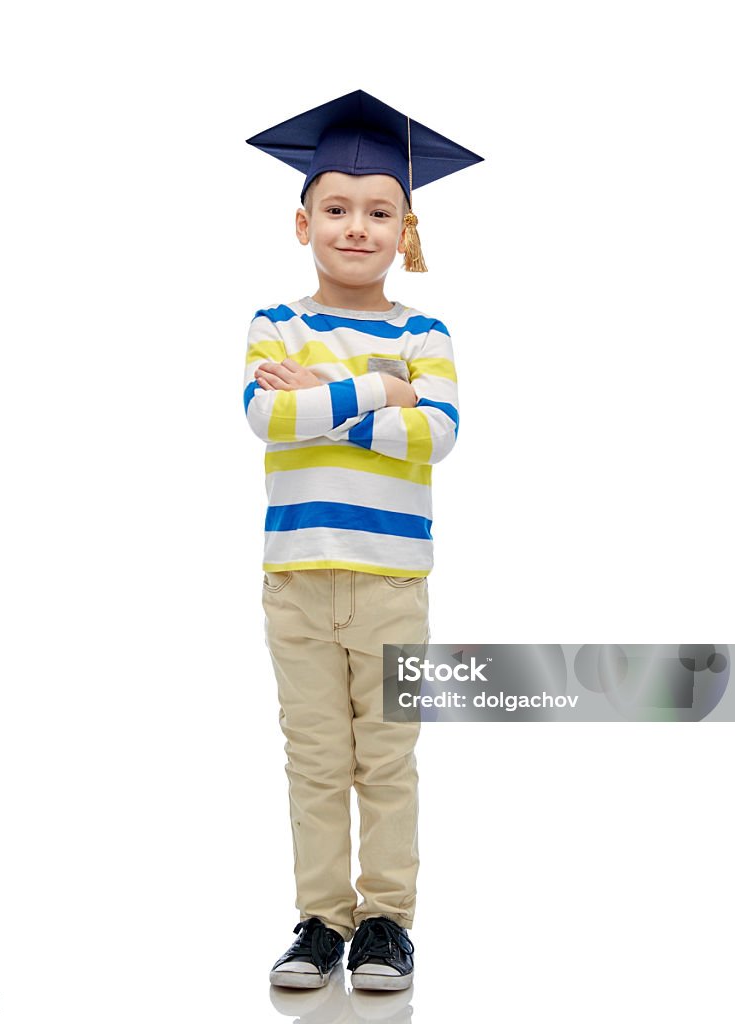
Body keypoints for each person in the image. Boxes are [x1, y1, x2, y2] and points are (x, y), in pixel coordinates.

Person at [242, 90, 482, 991]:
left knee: (386, 756)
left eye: (378, 211)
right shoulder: (275, 324)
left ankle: (385, 921)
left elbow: (442, 435)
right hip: (296, 577)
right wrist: (384, 392)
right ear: (302, 219)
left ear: (405, 227)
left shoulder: (427, 331)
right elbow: (270, 416)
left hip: (390, 582)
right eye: (335, 209)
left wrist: (327, 396)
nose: (356, 227)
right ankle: (318, 921)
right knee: (311, 757)